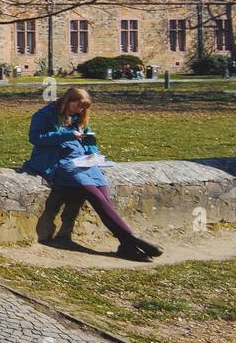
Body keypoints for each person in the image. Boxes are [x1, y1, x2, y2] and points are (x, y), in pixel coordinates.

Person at [24, 87, 164, 261]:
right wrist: (66, 135)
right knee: (89, 190)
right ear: (68, 101)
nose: (81, 110)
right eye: (78, 106)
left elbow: (88, 140)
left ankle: (126, 243)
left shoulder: (80, 116)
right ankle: (130, 238)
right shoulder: (45, 114)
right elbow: (35, 138)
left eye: (84, 108)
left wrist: (93, 152)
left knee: (103, 190)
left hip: (81, 159)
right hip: (57, 161)